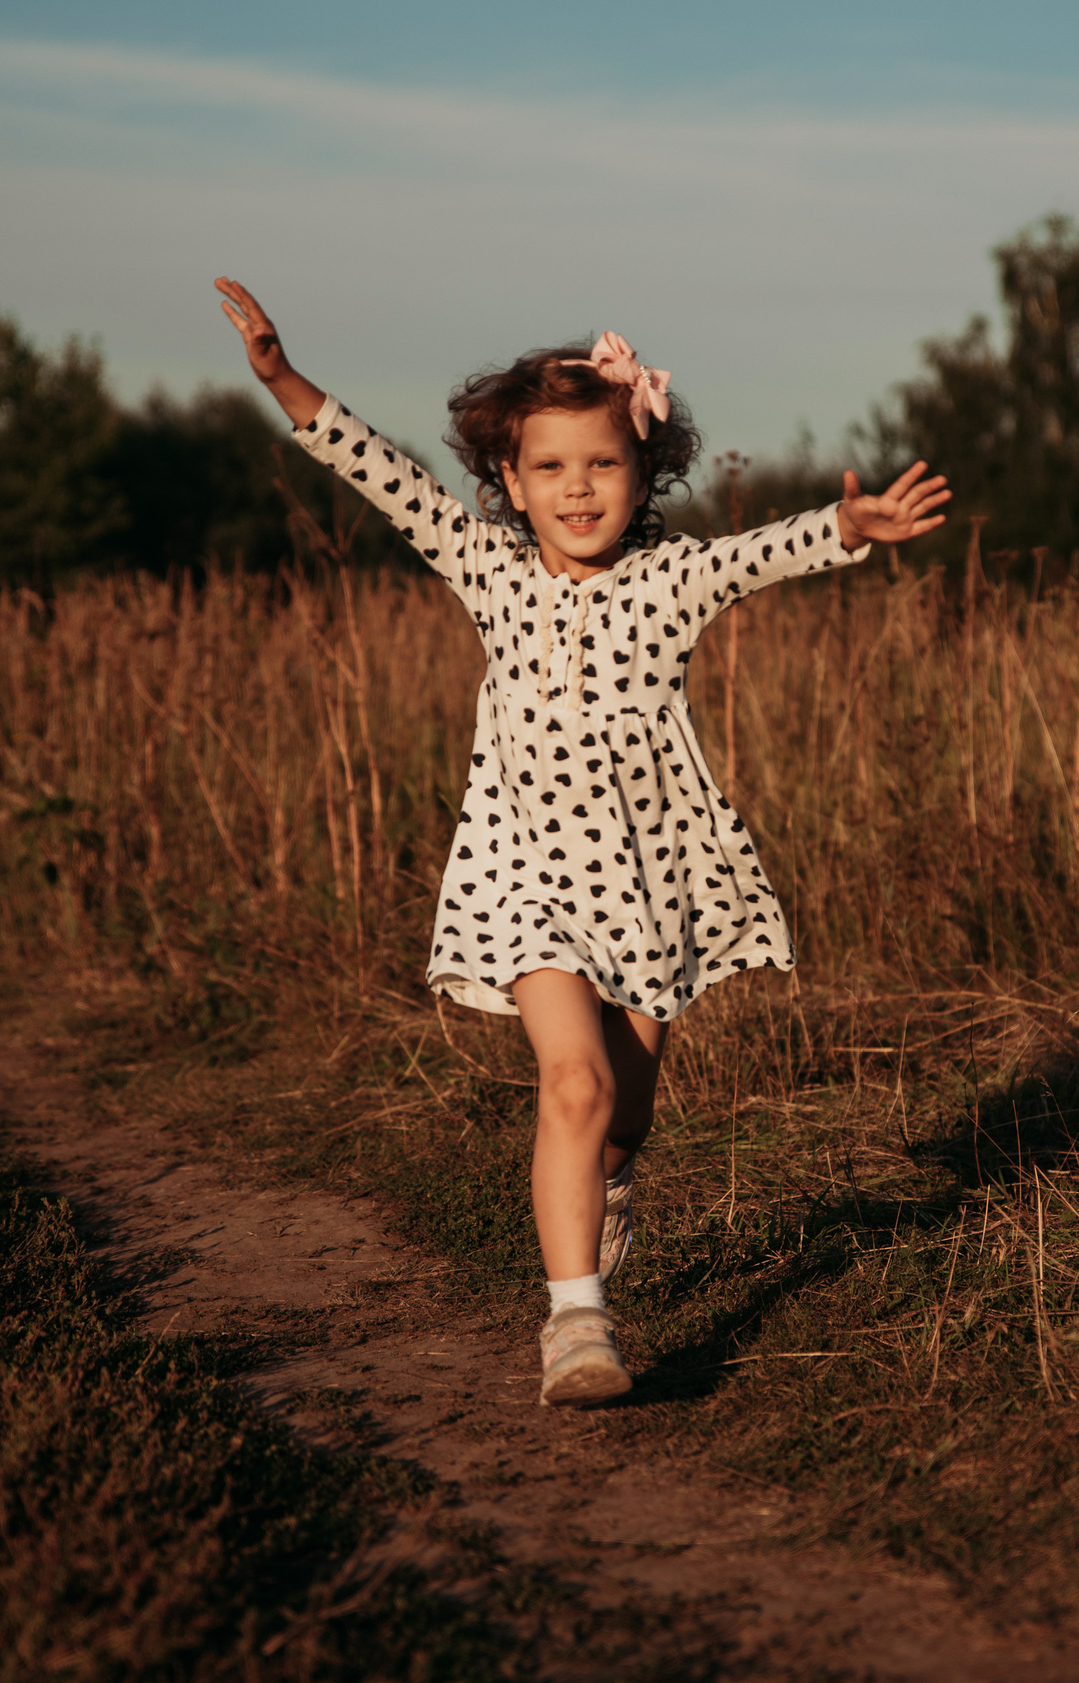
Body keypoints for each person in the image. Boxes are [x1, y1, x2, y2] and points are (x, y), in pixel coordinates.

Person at [216, 278, 949, 1407]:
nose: (576, 488)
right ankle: (576, 1325)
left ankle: (606, 1188)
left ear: (644, 473)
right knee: (573, 1081)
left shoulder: (671, 577)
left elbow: (766, 551)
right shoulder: (488, 567)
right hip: (524, 878)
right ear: (510, 482)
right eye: (549, 467)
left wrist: (849, 526)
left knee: (623, 1114)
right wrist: (281, 378)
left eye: (603, 463)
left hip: (652, 882)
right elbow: (381, 474)